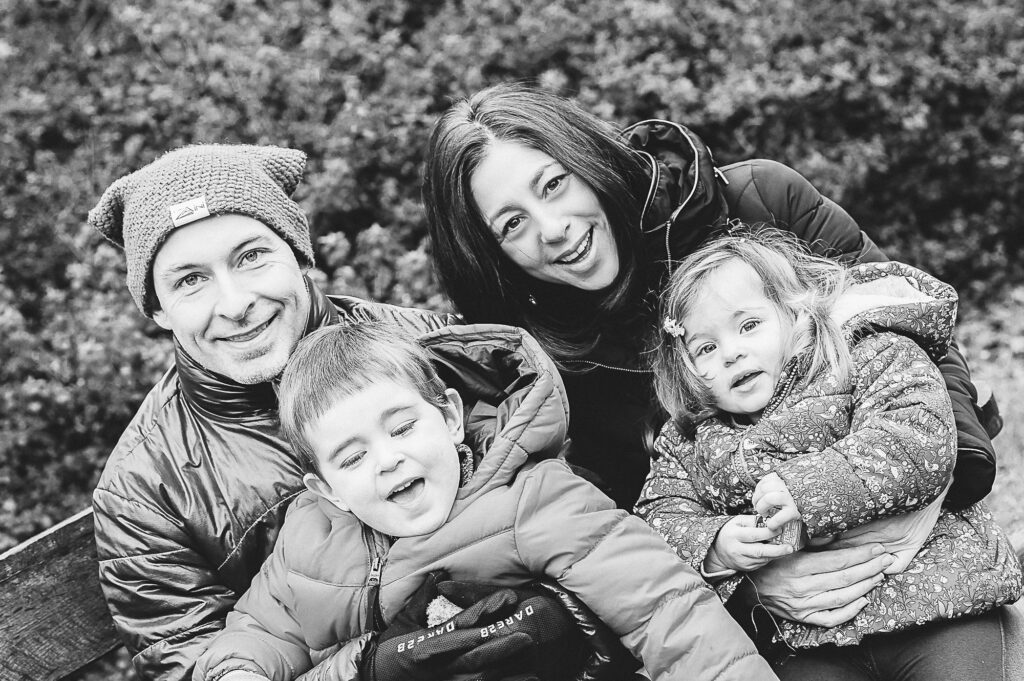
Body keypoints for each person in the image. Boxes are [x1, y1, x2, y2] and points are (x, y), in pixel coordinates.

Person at [421, 81, 999, 626]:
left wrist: (937, 489)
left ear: (586, 158)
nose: (551, 228)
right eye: (512, 223)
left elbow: (909, 324)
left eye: (553, 184)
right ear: (489, 253)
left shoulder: (761, 201)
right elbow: (613, 531)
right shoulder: (536, 368)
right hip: (766, 623)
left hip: (928, 556)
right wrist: (743, 584)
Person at [87, 144, 582, 681]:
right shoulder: (143, 490)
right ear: (157, 309)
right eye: (189, 280)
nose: (233, 303)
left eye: (251, 256)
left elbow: (570, 504)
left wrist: (563, 611)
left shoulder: (432, 350)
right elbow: (193, 666)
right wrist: (368, 667)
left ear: (299, 254)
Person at [193, 321, 780, 681]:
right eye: (351, 458)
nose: (388, 460)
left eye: (401, 428)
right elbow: (263, 629)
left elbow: (665, 609)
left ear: (449, 417)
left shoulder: (533, 499)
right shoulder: (309, 541)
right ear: (325, 489)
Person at [634, 228, 1022, 679]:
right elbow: (658, 518)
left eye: (748, 325)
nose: (732, 354)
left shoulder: (862, 356)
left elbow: (916, 437)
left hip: (939, 600)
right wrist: (715, 546)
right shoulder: (690, 440)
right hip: (813, 638)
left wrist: (807, 491)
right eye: (706, 348)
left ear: (795, 314)